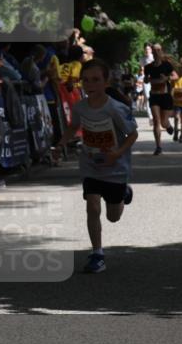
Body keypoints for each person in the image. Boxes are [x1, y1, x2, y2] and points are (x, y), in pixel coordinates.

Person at [53, 58, 137, 274]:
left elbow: (132, 134)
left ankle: (124, 192)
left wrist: (117, 152)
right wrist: (60, 144)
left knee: (113, 216)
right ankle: (97, 254)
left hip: (115, 167)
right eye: (86, 80)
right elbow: (73, 127)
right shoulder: (80, 107)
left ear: (106, 82)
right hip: (91, 165)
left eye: (96, 80)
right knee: (92, 207)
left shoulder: (116, 108)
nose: (90, 84)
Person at [144, 43, 175, 155]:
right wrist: (146, 79)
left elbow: (175, 76)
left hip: (165, 95)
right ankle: (158, 147)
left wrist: (166, 78)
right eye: (154, 50)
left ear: (161, 51)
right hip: (154, 96)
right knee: (156, 120)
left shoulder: (167, 65)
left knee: (163, 122)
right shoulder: (148, 67)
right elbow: (146, 80)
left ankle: (168, 126)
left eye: (158, 49)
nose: (156, 51)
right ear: (152, 51)